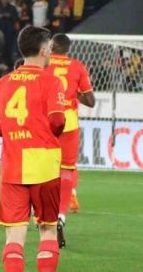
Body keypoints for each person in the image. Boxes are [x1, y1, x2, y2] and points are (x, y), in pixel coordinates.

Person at [0, 26, 67, 272]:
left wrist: (13, 131)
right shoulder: (51, 80)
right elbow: (58, 121)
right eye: (50, 47)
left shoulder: (3, 82)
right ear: (43, 50)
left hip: (13, 165)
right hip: (44, 164)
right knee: (47, 229)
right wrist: (39, 130)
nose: (50, 52)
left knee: (15, 235)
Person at [46, 34, 95, 248]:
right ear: (67, 49)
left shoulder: (44, 64)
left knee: (45, 169)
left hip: (47, 122)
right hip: (69, 124)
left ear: (52, 46)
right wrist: (75, 94)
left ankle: (40, 212)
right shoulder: (77, 66)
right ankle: (61, 216)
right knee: (67, 171)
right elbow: (91, 101)